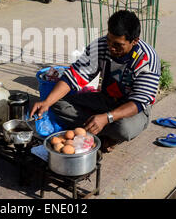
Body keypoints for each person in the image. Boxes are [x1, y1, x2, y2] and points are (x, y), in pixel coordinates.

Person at [30, 10, 161, 152]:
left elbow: (139, 102)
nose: (111, 47)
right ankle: (99, 132)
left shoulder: (147, 60)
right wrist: (47, 102)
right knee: (57, 103)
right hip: (105, 99)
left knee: (124, 129)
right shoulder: (101, 46)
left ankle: (105, 132)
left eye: (118, 45)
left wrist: (107, 117)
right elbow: (74, 76)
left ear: (134, 41)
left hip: (132, 110)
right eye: (109, 40)